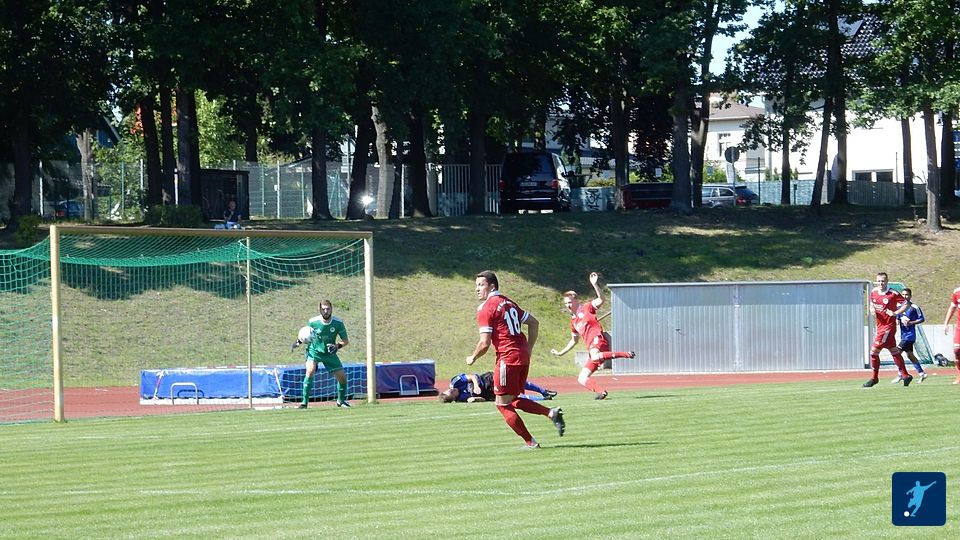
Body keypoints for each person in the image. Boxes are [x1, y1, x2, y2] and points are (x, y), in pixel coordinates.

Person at [466, 270, 565, 449]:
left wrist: (472, 357)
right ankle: (551, 413)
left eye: (481, 285)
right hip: (522, 355)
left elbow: (484, 343)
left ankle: (531, 442)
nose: (477, 289)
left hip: (507, 357)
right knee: (512, 399)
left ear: (492, 286)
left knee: (501, 405)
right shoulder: (509, 303)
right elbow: (534, 322)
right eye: (476, 285)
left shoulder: (486, 308)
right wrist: (529, 348)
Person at [550, 272, 635, 400]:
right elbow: (574, 340)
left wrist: (595, 284)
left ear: (576, 300)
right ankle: (601, 392)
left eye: (570, 302)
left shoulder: (586, 307)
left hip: (598, 340)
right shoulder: (573, 322)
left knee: (595, 355)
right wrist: (561, 353)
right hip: (592, 349)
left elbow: (602, 299)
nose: (568, 305)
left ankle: (625, 354)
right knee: (582, 378)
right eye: (566, 303)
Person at [291, 299, 351, 407]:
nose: (326, 311)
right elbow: (306, 334)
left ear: (331, 309)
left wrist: (337, 346)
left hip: (329, 353)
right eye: (323, 309)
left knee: (342, 378)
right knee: (310, 370)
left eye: (328, 309)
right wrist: (298, 342)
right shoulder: (313, 322)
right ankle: (304, 403)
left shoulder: (338, 323)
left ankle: (340, 401)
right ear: (320, 310)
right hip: (314, 351)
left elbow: (345, 340)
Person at [864, 272, 912, 388]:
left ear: (887, 281)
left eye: (883, 281)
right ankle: (905, 375)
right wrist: (871, 309)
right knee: (894, 351)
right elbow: (871, 304)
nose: (881, 283)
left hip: (888, 327)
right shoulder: (874, 292)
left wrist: (895, 313)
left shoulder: (893, 293)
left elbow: (907, 304)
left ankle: (874, 378)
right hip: (880, 326)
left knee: (873, 352)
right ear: (876, 281)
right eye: (879, 281)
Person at [438, 371, 558, 403]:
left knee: (517, 381)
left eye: (449, 390)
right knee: (514, 397)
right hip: (489, 393)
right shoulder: (462, 399)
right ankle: (543, 399)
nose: (451, 390)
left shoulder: (455, 382)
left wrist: (476, 386)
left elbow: (472, 376)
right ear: (454, 398)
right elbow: (483, 399)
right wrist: (474, 399)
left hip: (487, 379)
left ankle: (544, 391)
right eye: (451, 393)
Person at [891, 287, 927, 383]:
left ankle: (901, 374)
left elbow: (922, 319)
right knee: (910, 355)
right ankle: (922, 373)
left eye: (906, 295)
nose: (904, 296)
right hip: (903, 335)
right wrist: (897, 321)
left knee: (897, 353)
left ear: (910, 296)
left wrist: (911, 322)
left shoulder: (914, 307)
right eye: (903, 294)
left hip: (909, 336)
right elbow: (898, 317)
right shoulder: (899, 307)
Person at [943, 285, 960, 384]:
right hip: (959, 326)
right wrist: (946, 323)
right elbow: (952, 307)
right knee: (957, 350)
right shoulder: (957, 292)